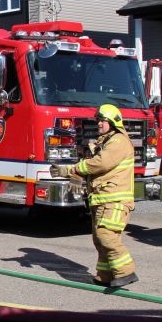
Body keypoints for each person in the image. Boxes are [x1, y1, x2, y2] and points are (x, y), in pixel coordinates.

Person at [51, 103, 138, 288]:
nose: (98, 123)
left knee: (107, 235)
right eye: (98, 120)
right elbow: (91, 164)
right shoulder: (105, 141)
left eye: (102, 120)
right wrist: (76, 177)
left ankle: (126, 271)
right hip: (102, 199)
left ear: (113, 122)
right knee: (99, 239)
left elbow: (100, 164)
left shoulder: (118, 141)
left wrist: (70, 170)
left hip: (115, 200)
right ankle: (105, 275)